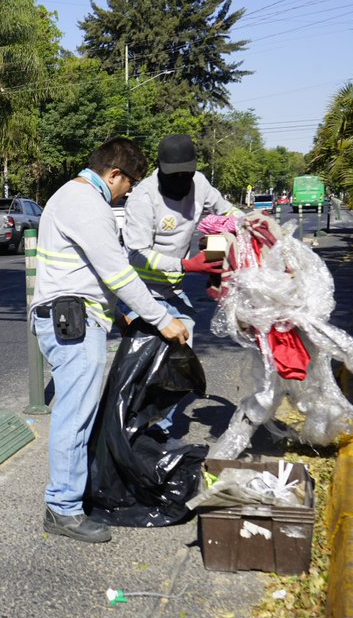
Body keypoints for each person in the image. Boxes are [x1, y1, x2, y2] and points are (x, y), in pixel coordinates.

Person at [32, 137, 190, 544]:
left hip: (74, 316)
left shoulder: (74, 197)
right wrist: (162, 320)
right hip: (74, 322)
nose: (133, 189)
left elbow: (88, 271)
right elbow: (117, 272)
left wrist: (122, 313)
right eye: (131, 181)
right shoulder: (86, 204)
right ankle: (63, 509)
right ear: (114, 173)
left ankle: (70, 496)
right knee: (75, 415)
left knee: (79, 412)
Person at [122, 133, 244, 437]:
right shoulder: (144, 197)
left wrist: (252, 225)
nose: (181, 179)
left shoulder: (200, 184)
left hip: (173, 289)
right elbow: (136, 255)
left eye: (186, 173)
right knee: (142, 363)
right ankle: (131, 425)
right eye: (174, 174)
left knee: (178, 359)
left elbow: (227, 212)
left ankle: (159, 429)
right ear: (161, 170)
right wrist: (188, 265)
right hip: (139, 290)